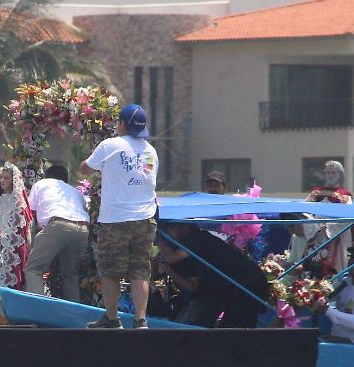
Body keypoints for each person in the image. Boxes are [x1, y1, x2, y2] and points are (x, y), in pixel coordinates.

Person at [80, 103, 158, 329]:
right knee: (140, 270)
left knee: (110, 270)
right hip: (145, 218)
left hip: (117, 219)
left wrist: (88, 164)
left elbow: (86, 168)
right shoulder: (150, 151)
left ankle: (112, 319)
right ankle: (140, 320)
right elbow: (145, 177)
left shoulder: (111, 144)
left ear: (123, 124)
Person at [158, 223, 267, 328]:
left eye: (172, 228)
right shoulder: (197, 241)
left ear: (185, 227)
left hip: (246, 283)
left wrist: (158, 237)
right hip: (239, 285)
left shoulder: (196, 238)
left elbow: (171, 257)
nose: (170, 232)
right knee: (232, 326)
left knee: (236, 327)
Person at [24, 165, 90, 301]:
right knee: (70, 274)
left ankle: (37, 310)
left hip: (58, 225)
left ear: (48, 176)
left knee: (33, 269)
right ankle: (73, 315)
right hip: (82, 229)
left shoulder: (41, 184)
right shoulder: (74, 191)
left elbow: (31, 214)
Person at [0, 163, 33, 289]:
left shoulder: (18, 204)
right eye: (1, 177)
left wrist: (2, 236)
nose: (2, 180)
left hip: (5, 245)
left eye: (6, 178)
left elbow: (20, 232)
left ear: (13, 180)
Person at [305, 160, 353, 274]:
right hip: (314, 236)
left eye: (333, 173)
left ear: (340, 176)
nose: (330, 175)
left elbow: (347, 218)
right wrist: (315, 226)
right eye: (328, 172)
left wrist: (327, 227)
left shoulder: (345, 195)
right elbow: (304, 212)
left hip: (333, 237)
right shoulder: (315, 193)